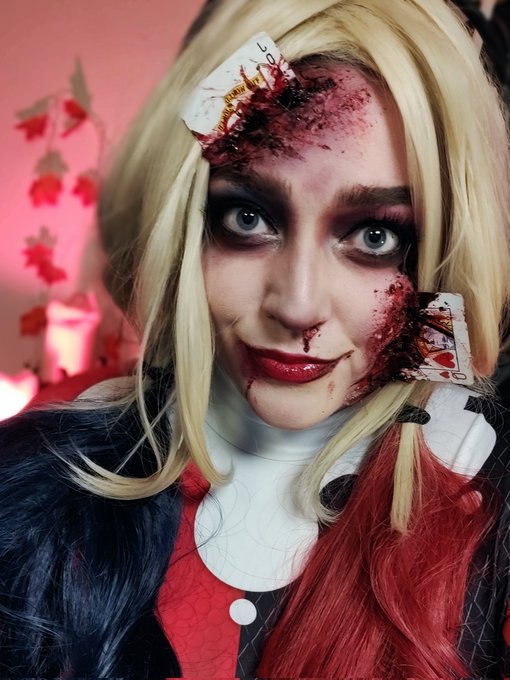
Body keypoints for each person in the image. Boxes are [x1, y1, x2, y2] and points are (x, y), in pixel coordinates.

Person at [1, 0, 510, 677]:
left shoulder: (493, 511)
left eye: (375, 236)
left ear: (443, 255)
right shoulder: (31, 483)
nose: (297, 305)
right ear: (186, 225)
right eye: (247, 217)